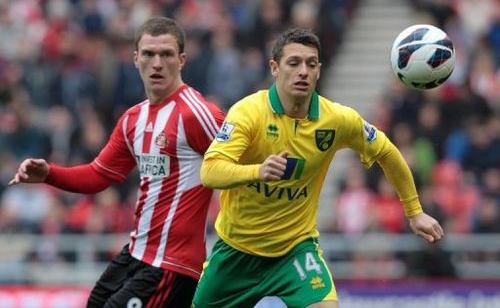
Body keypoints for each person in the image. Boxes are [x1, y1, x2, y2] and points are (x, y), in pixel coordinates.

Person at [192, 28, 444, 308]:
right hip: (235, 253)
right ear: (274, 68)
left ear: (319, 70)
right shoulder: (248, 112)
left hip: (294, 252)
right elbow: (210, 171)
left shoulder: (337, 119)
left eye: (311, 64)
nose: (303, 71)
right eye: (294, 63)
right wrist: (257, 171)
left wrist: (415, 211)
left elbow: (387, 152)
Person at [9, 16, 225, 308]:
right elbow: (99, 175)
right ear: (136, 59)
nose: (157, 63)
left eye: (166, 54)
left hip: (172, 264)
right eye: (149, 54)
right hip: (136, 254)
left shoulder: (198, 114)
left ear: (182, 60)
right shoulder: (133, 118)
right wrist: (49, 174)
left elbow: (242, 163)